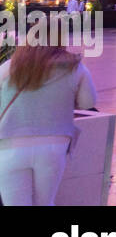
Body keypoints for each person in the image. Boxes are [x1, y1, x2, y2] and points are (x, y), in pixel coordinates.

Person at [0, 43, 97, 205]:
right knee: (45, 203)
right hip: (53, 146)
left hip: (10, 146)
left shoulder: (10, 66)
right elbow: (88, 102)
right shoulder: (75, 68)